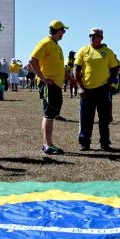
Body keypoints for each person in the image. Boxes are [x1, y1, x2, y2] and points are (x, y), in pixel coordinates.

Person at [29, 20, 71, 155]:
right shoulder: (46, 43)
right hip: (49, 84)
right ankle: (48, 145)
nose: (63, 33)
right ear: (59, 31)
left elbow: (59, 67)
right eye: (63, 31)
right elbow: (32, 60)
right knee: (49, 114)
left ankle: (45, 143)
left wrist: (70, 79)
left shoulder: (55, 45)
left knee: (48, 114)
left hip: (55, 85)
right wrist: (43, 78)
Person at [74, 27, 119, 152]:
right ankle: (84, 143)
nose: (92, 38)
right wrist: (80, 87)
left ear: (101, 38)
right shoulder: (83, 51)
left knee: (104, 118)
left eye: (95, 36)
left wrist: (109, 83)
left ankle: (104, 143)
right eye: (91, 35)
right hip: (87, 90)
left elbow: (115, 68)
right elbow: (76, 70)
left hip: (103, 89)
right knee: (86, 118)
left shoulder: (107, 52)